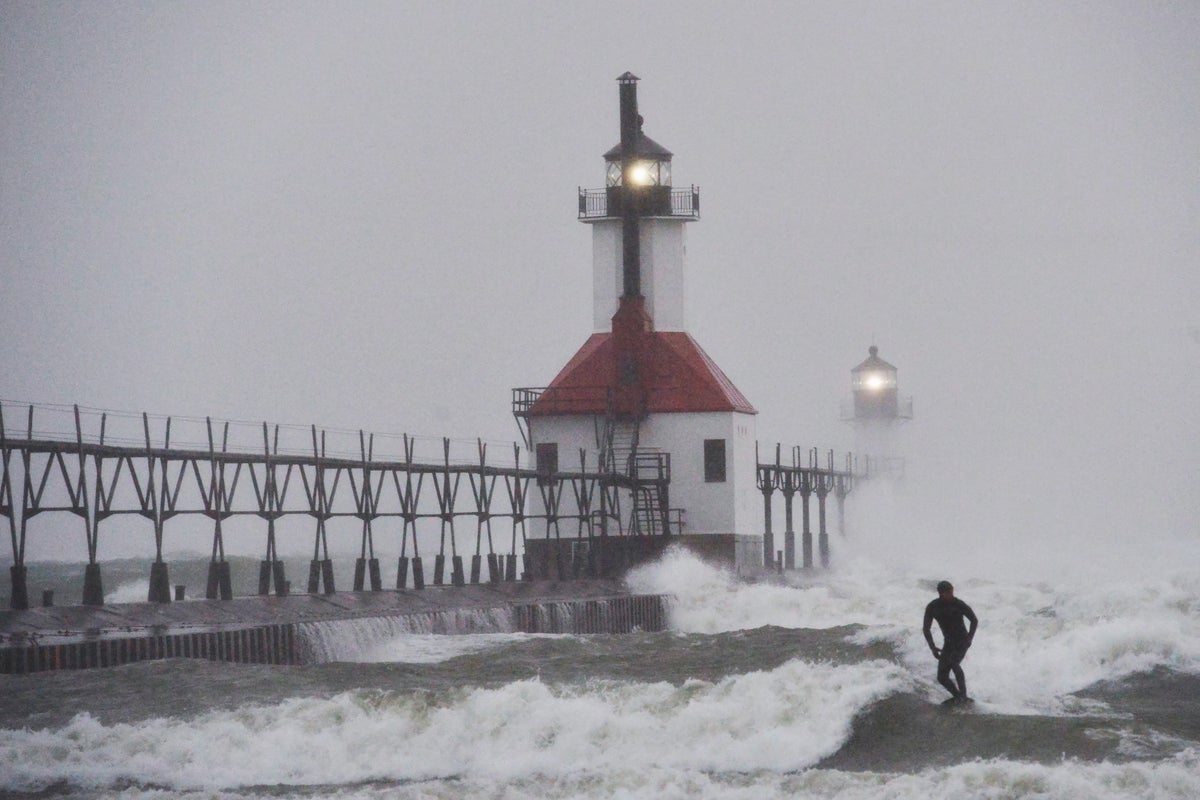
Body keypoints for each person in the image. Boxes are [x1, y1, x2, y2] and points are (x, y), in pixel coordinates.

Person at [922, 580, 978, 702]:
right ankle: (957, 696)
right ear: (941, 593)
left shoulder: (958, 604)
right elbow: (926, 629)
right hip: (948, 642)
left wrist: (970, 638)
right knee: (941, 677)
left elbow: (974, 620)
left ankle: (963, 696)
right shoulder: (933, 607)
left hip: (962, 640)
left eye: (952, 592)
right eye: (948, 593)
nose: (951, 595)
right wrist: (932, 647)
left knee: (954, 663)